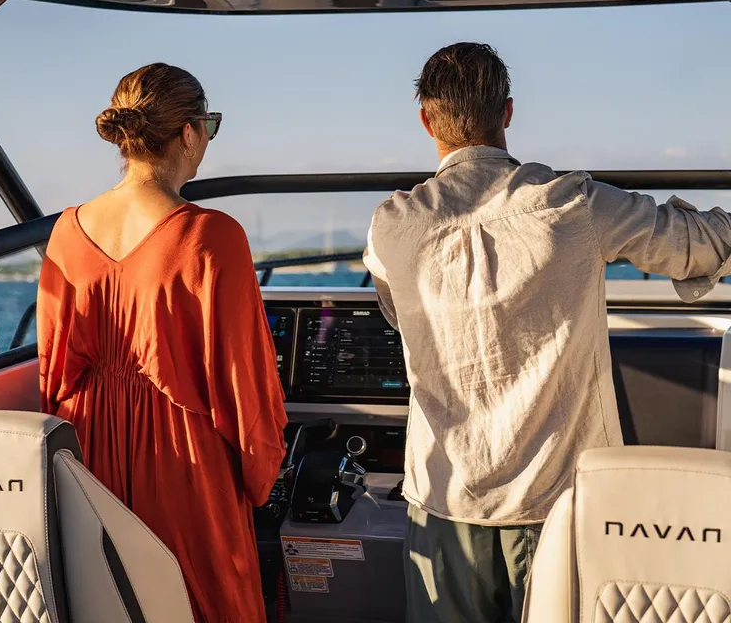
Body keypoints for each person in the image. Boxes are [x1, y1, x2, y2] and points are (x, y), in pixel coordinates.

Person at [363, 42, 731, 623]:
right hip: (558, 504)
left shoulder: (391, 226)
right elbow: (700, 247)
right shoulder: (575, 205)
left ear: (426, 121)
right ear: (507, 112)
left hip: (445, 501)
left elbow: (397, 312)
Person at [38, 63, 287, 622]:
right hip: (182, 465)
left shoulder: (66, 230)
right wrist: (262, 478)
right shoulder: (212, 236)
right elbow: (243, 385)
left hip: (88, 457)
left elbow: (51, 374)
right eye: (209, 127)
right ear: (189, 133)